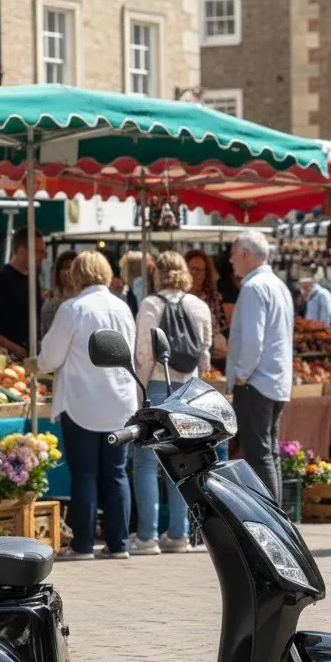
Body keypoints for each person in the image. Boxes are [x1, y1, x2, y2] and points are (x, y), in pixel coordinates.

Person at [28, 251, 136, 560]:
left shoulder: (72, 308)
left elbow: (50, 357)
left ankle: (84, 544)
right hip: (120, 401)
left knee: (85, 475)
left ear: (76, 274)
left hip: (82, 402)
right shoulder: (122, 307)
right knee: (116, 473)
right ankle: (119, 545)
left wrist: (36, 363)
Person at [131, 251, 212, 555]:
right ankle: (179, 534)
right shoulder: (199, 305)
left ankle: (147, 536)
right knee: (183, 460)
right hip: (189, 386)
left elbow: (143, 354)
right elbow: (205, 353)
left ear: (158, 274)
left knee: (146, 461)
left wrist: (139, 395)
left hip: (156, 384)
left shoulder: (150, 305)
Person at [226, 230, 294, 501]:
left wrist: (241, 375)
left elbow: (252, 340)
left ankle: (271, 520)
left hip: (257, 381)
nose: (231, 261)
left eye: (233, 255)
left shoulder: (254, 287)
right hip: (274, 379)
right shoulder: (277, 285)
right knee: (268, 452)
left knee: (258, 454)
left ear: (244, 254)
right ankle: (277, 518)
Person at [0, 226, 45, 357]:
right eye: (38, 252)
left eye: (43, 252)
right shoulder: (0, 280)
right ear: (21, 251)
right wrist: (13, 347)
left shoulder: (33, 276)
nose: (42, 256)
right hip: (8, 357)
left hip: (33, 354)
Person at [185, 248, 229, 358]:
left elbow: (223, 327)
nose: (194, 274)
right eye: (191, 269)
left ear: (206, 274)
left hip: (210, 355)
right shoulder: (176, 298)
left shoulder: (214, 298)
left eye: (199, 270)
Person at [40, 250, 77, 337]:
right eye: (66, 267)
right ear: (59, 272)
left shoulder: (87, 299)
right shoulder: (51, 300)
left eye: (74, 268)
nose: (69, 272)